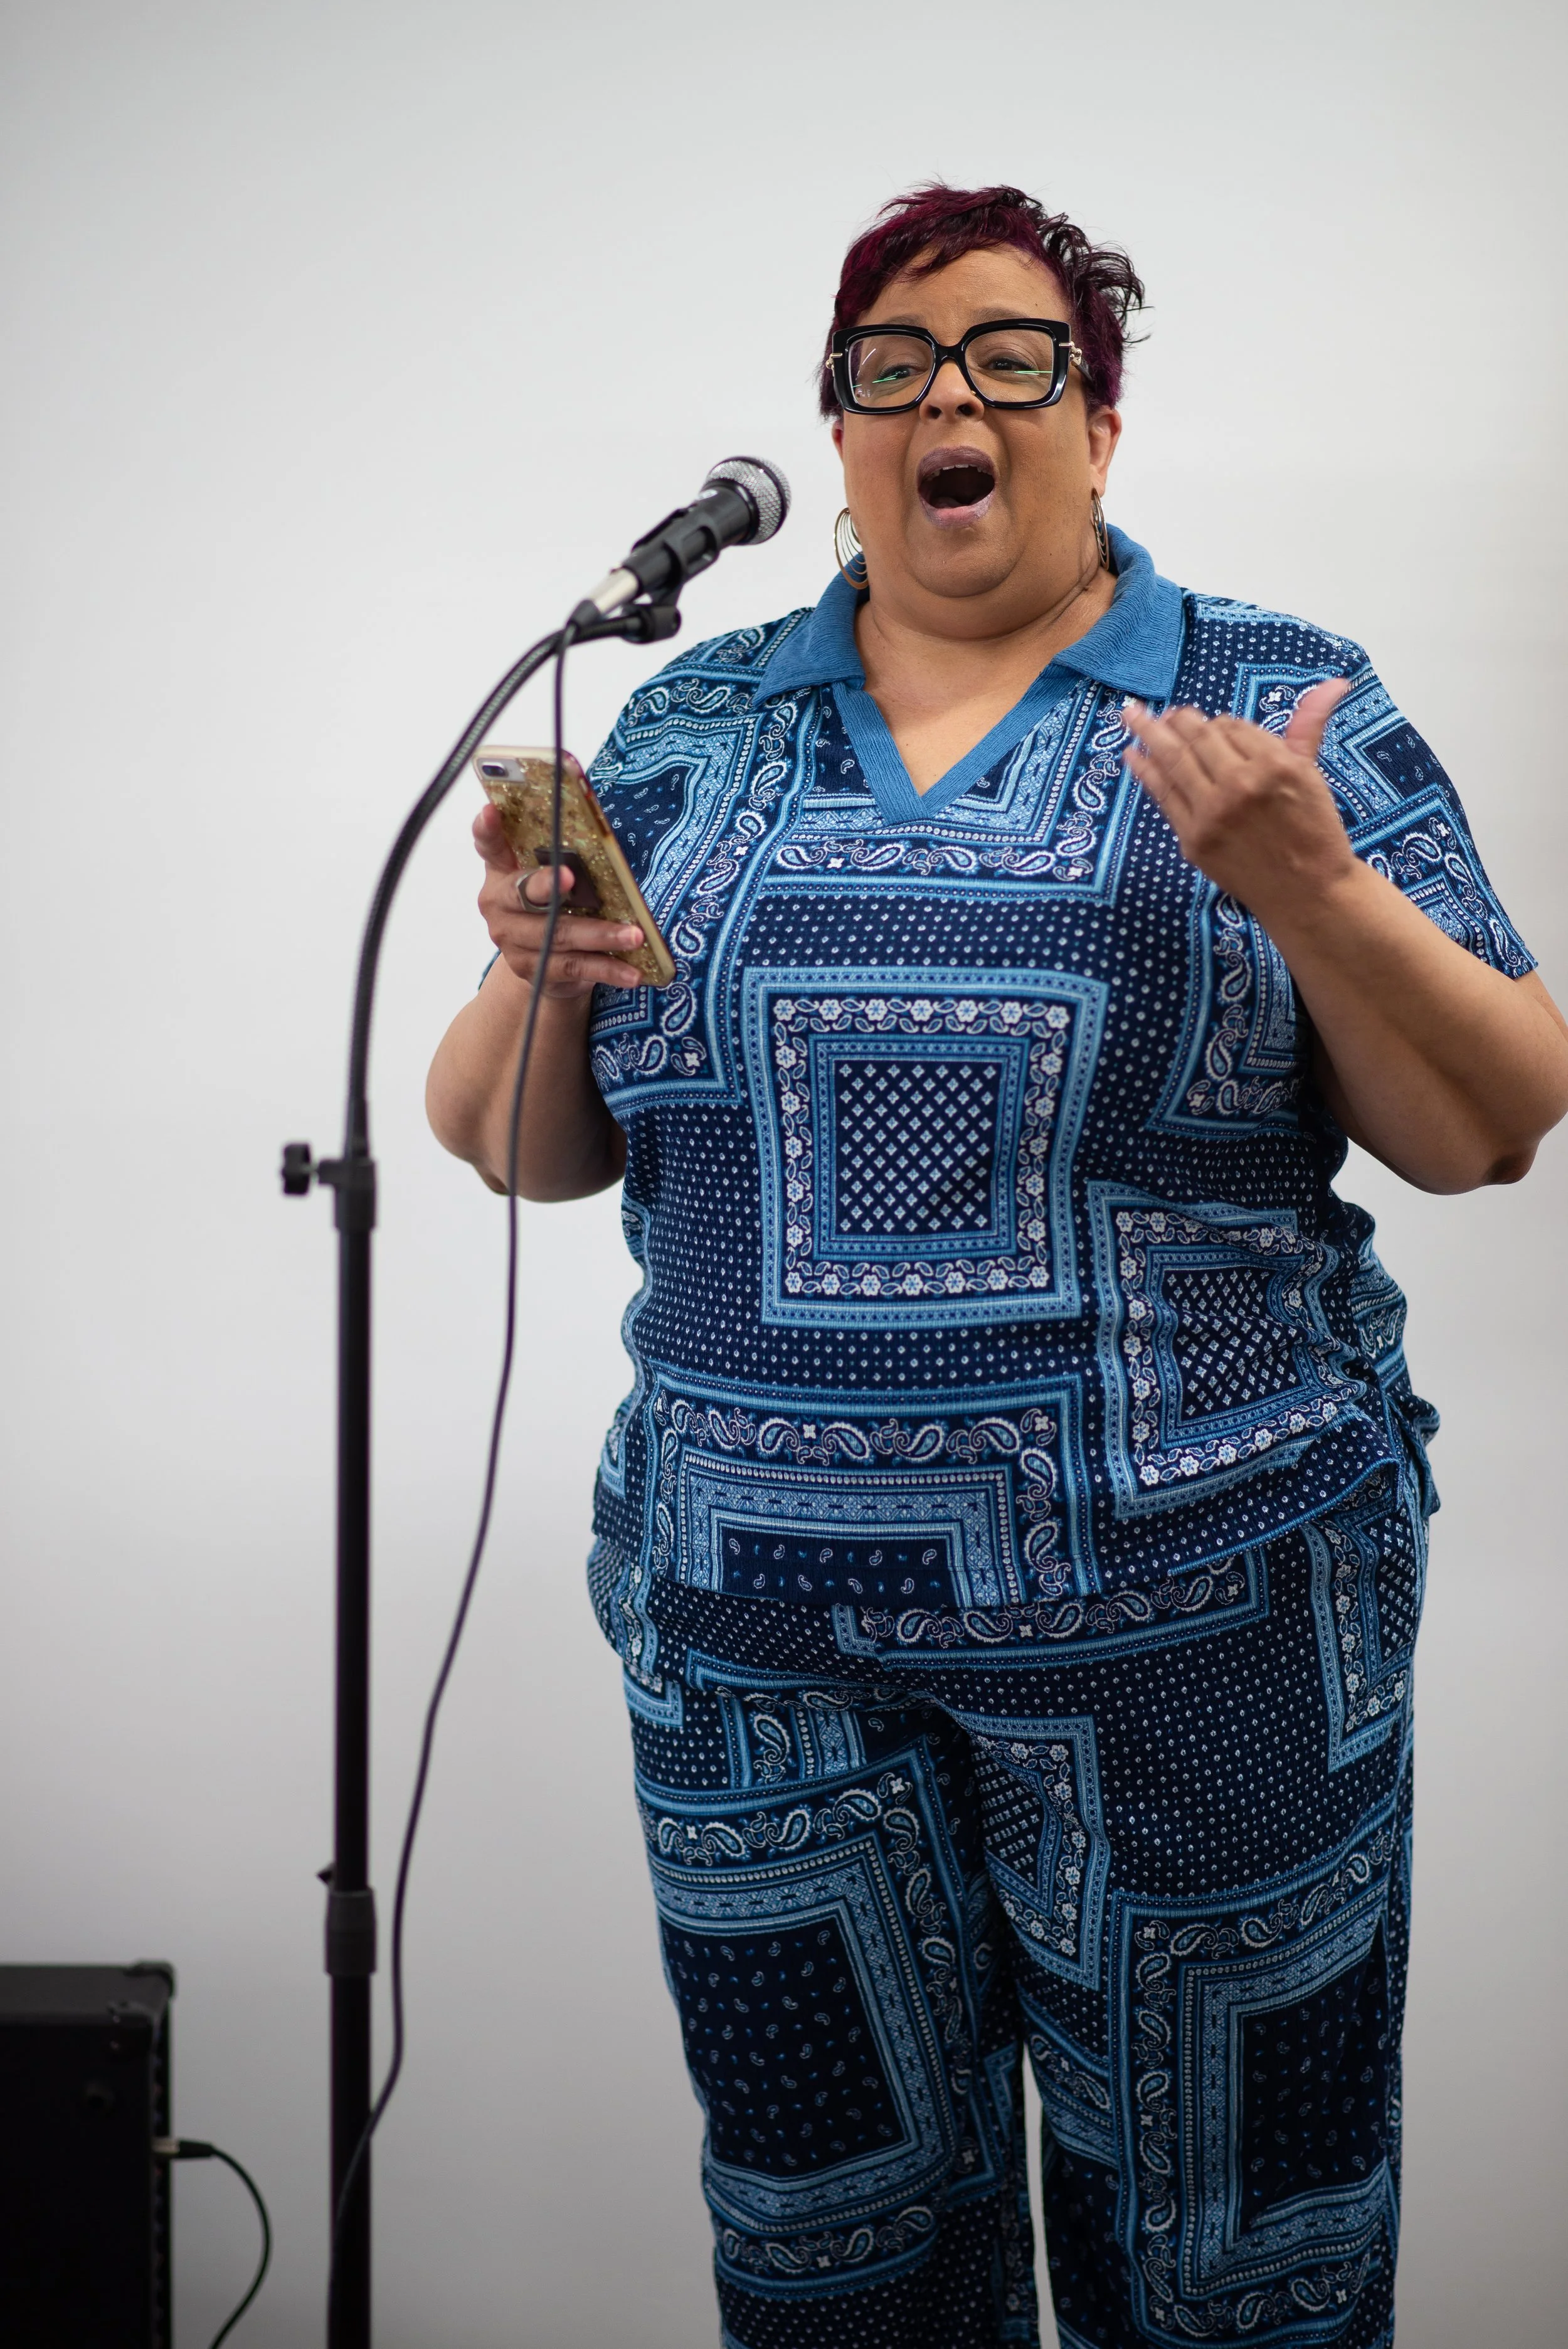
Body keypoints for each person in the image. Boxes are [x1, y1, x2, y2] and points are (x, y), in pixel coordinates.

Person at [426, 184, 1568, 2349]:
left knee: (1232, 2254)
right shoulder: (685, 735)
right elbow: (518, 1149)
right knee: (833, 2248)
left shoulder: (1275, 703)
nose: (946, 397)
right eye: (891, 365)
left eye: (1012, 357)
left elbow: (1492, 1118)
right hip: (759, 1655)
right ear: (838, 435)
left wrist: (1315, 896)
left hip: (1199, 1641)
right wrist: (535, 981)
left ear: (1098, 426)